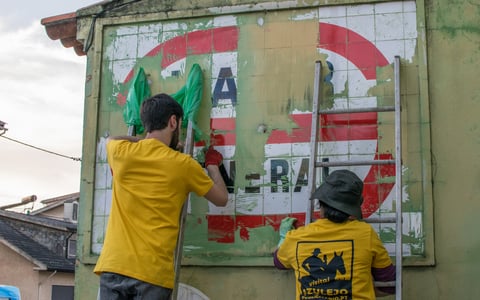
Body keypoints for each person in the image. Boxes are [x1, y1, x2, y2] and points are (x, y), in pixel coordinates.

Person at [94, 93, 228, 300]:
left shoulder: (121, 153)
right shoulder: (183, 164)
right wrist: (212, 166)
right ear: (173, 122)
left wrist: (143, 141)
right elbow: (221, 199)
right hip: (152, 274)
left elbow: (112, 139)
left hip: (113, 267)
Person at [273, 169, 395, 300]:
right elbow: (389, 285)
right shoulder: (366, 233)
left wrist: (283, 238)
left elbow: (278, 262)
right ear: (352, 209)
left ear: (321, 205)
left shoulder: (295, 238)